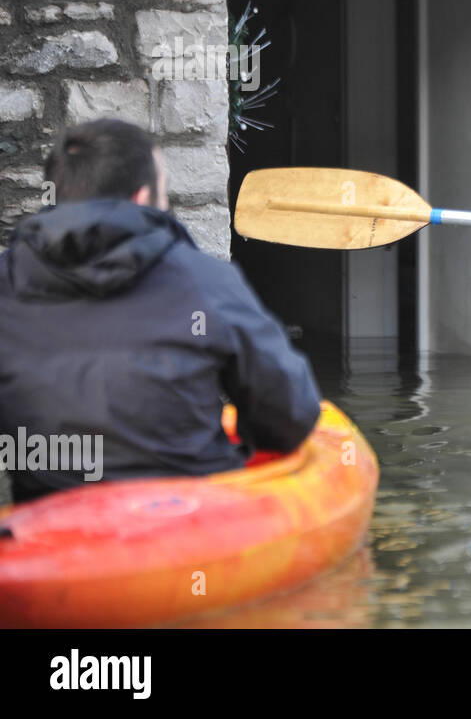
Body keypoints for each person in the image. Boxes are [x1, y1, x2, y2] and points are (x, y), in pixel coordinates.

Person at [0, 118, 321, 503]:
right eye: (164, 192)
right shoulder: (207, 282)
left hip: (47, 527)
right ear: (142, 197)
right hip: (188, 528)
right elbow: (290, 414)